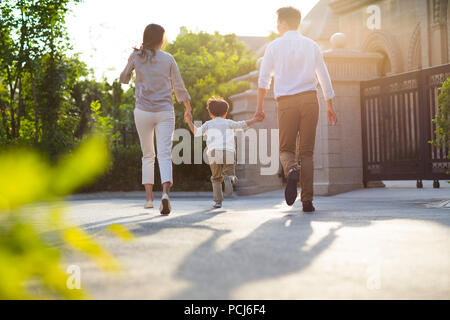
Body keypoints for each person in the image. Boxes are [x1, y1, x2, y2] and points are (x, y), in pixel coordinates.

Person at [256, 7, 338, 213]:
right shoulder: (312, 45)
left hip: (286, 103)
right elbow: (324, 77)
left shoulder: (274, 47)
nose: (276, 26)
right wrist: (329, 104)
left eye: (277, 22)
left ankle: (291, 169)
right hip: (310, 100)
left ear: (283, 23)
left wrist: (259, 108)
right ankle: (307, 201)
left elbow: (264, 79)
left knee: (286, 149)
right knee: (307, 153)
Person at [119, 23, 192, 215]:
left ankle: (149, 199)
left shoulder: (137, 56)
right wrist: (188, 108)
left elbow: (123, 79)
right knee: (165, 154)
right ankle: (165, 195)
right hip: (165, 111)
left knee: (147, 155)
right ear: (161, 39)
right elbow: (179, 86)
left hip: (143, 111)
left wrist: (132, 61)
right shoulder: (168, 58)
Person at [184, 97, 258, 208]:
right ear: (225, 113)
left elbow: (197, 132)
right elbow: (241, 125)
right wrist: (255, 119)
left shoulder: (208, 124)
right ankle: (230, 178)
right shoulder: (228, 122)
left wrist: (189, 121)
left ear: (210, 113)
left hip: (213, 152)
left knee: (216, 178)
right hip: (228, 151)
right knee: (229, 172)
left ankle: (218, 201)